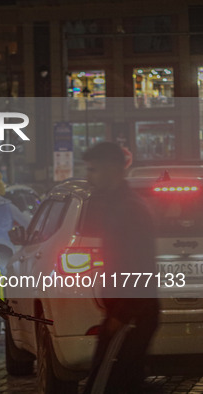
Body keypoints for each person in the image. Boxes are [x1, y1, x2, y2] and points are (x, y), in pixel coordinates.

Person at [82, 142, 159, 393]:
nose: (89, 177)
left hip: (130, 314)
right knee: (124, 382)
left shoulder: (129, 208)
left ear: (113, 169)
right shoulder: (115, 205)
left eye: (93, 170)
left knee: (104, 384)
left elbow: (138, 264)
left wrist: (122, 313)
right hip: (127, 311)